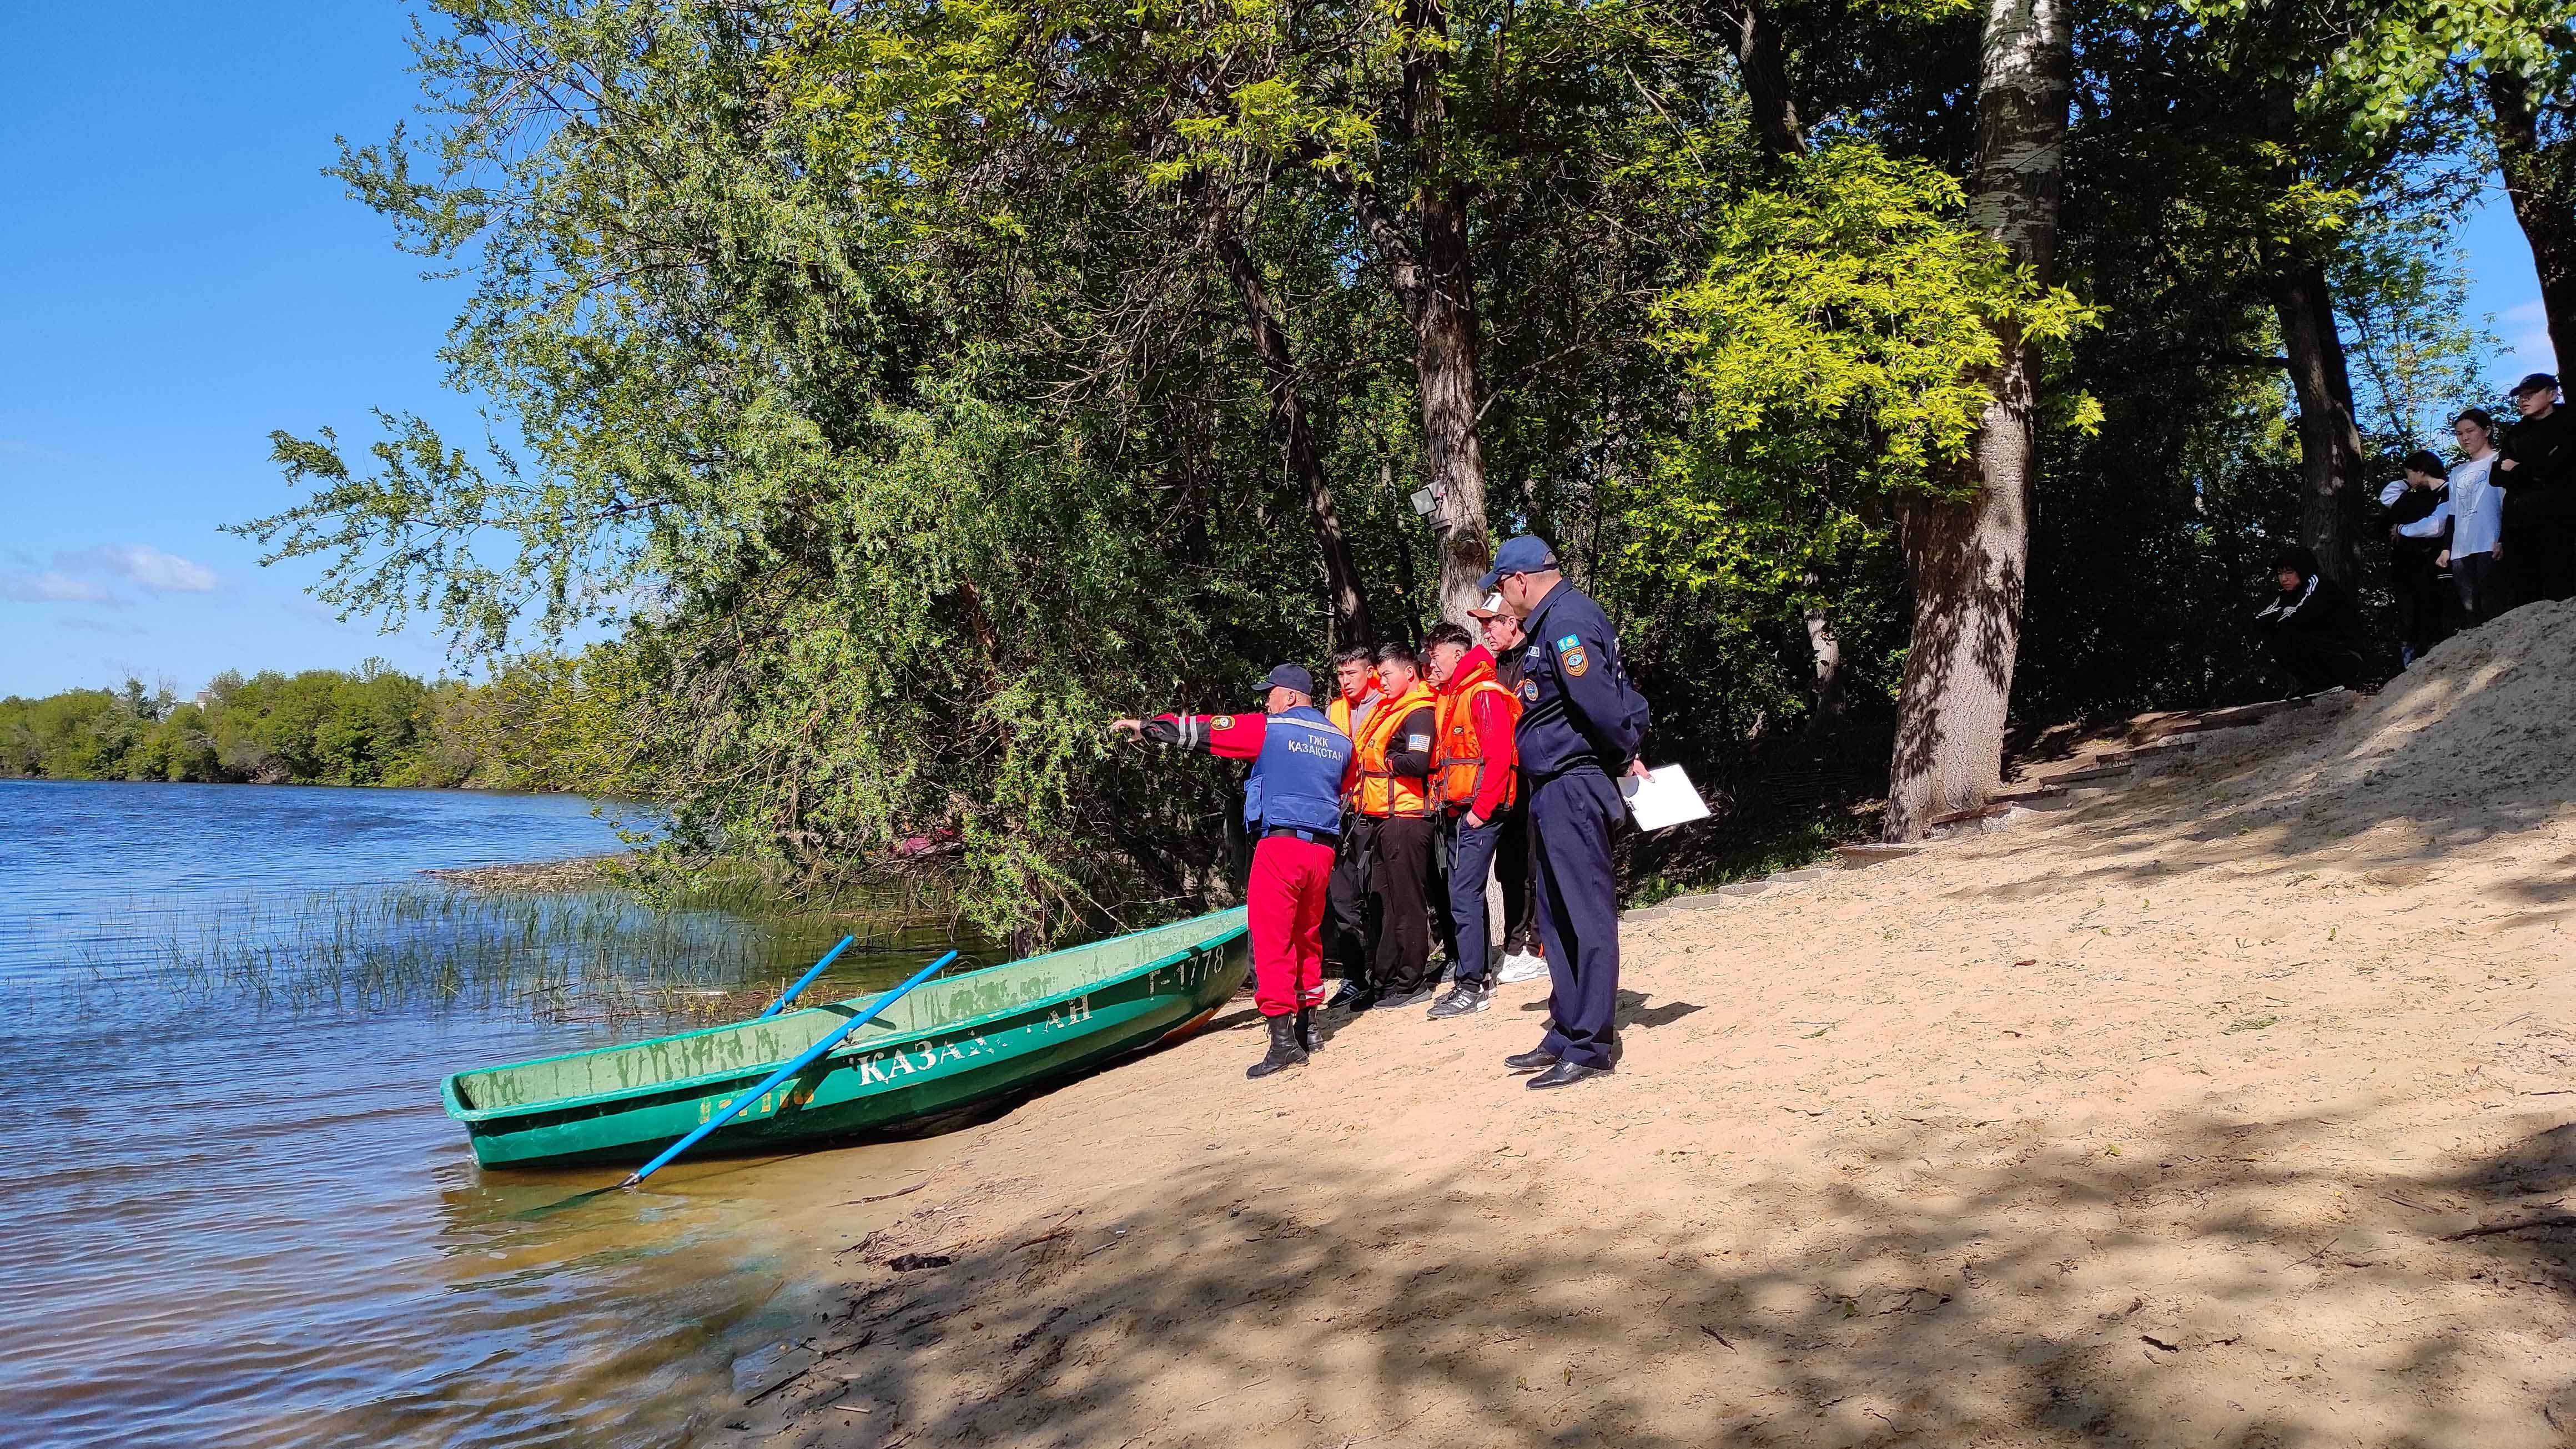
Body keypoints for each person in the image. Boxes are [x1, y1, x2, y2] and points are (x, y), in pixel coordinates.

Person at [1110, 664, 1354, 1078]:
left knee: (1271, 938)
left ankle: (1282, 1044)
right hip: (1322, 851)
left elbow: (1208, 730)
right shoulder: (1341, 740)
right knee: (1307, 934)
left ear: (1291, 697)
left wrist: (1150, 728)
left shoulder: (1271, 729)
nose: (1266, 701)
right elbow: (1346, 788)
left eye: (1271, 693)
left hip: (1280, 845)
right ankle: (1310, 1027)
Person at [1482, 535, 1651, 1090]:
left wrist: (1624, 752)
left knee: (1584, 916)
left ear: (1520, 580)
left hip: (1573, 784)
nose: (1502, 603)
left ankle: (1590, 1044)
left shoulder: (1567, 620)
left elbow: (1601, 703)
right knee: (1553, 918)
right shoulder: (1552, 620)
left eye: (1501, 589)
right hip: (1553, 787)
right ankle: (1566, 1026)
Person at [1422, 621, 1523, 1020]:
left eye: (1437, 655)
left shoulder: (1481, 693)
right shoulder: (1453, 693)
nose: (1433, 662)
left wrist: (1480, 812)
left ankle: (1471, 986)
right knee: (1465, 896)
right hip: (1458, 810)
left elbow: (1499, 755)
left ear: (1458, 655)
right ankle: (1476, 976)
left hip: (1480, 813)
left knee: (1464, 896)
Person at [1347, 641, 1441, 1012]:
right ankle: (1384, 979)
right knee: (1383, 904)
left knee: (1407, 904)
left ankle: (1411, 981)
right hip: (1382, 819)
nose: (1380, 680)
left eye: (1386, 674)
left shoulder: (1417, 712)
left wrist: (1385, 762)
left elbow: (1417, 762)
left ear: (1408, 673)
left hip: (1407, 818)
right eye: (1378, 674)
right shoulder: (1390, 709)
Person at [1470, 592, 1546, 984]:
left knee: (1537, 864)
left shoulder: (1539, 658)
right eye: (1482, 623)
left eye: (1491, 622)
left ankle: (1537, 946)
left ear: (1512, 622)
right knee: (1510, 867)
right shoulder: (1489, 670)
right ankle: (1514, 945)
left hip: (1538, 778)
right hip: (1506, 784)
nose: (1485, 630)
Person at [1321, 646, 1382, 1010]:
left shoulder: (1387, 703)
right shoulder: (1334, 710)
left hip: (1378, 812)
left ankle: (1381, 972)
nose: (1345, 682)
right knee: (1343, 897)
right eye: (1341, 676)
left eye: (1352, 674)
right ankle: (1354, 976)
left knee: (1376, 896)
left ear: (1370, 671)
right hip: (1342, 814)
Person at [2496, 372, 2573, 605]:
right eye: (2520, 396)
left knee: (2562, 585)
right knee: (2525, 591)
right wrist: (2532, 470)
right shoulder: (2516, 432)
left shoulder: (2568, 423)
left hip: (2561, 517)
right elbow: (2498, 475)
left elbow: (2558, 467)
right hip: (2519, 521)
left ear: (2553, 394)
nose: (2523, 400)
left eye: (2531, 395)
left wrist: (2519, 470)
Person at [2250, 545, 2363, 695]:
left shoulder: (2319, 584)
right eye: (2280, 574)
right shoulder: (2285, 596)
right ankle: (2315, 683)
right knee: (2271, 635)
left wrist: (2286, 615)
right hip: (2325, 654)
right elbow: (2260, 621)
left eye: (2290, 573)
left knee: (2290, 629)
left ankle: (2330, 682)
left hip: (2348, 656)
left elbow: (2302, 616)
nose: (2284, 579)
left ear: (2302, 570)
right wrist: (2286, 612)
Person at [2378, 449, 2453, 667]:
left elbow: (2436, 526)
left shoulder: (2449, 491)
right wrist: (2407, 480)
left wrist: (2402, 529)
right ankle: (2411, 666)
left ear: (2421, 471)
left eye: (2409, 473)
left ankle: (2438, 661)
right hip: (2407, 568)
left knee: (2435, 614)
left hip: (2436, 564)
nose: (2407, 478)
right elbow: (2387, 496)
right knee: (2409, 618)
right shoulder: (2412, 497)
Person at [2441, 408, 2506, 625]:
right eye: (2459, 434)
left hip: (2490, 542)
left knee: (2494, 606)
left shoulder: (2500, 460)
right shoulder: (2457, 472)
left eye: (2470, 431)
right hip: (2461, 549)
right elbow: (2453, 513)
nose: (2465, 438)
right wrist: (2446, 548)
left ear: (2486, 431)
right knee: (2471, 610)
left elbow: (2509, 504)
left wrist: (2504, 537)